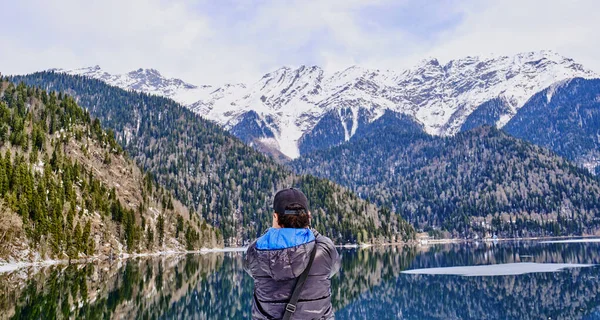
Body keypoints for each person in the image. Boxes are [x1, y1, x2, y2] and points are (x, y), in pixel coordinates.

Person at [243, 188, 341, 320]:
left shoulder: (255, 252)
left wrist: (271, 233)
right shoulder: (325, 250)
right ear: (308, 216)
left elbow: (250, 269)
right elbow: (333, 270)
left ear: (276, 217)